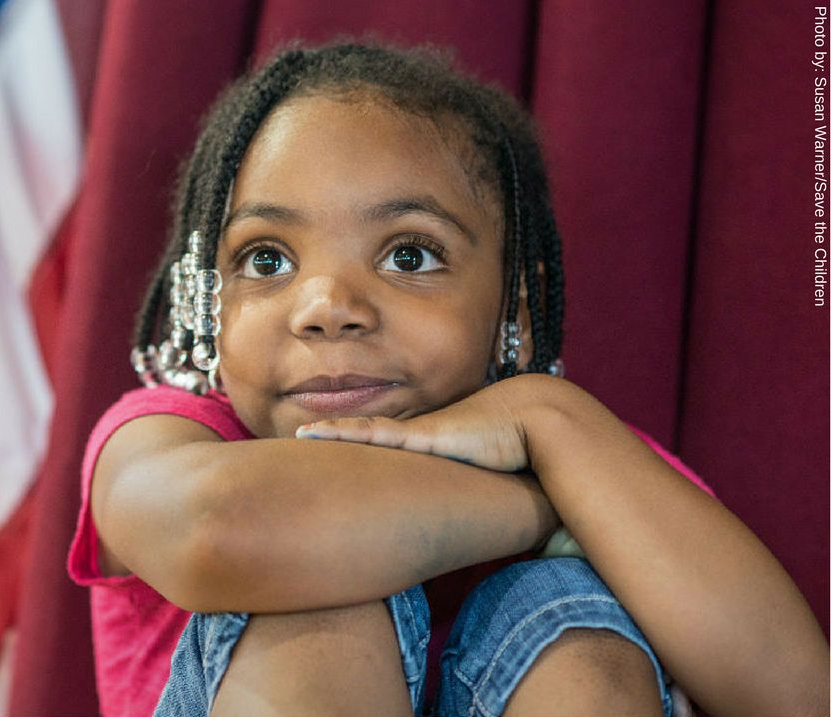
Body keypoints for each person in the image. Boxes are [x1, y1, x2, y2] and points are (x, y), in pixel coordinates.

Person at [67, 42, 829, 716]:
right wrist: (545, 502)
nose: (328, 307)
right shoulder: (168, 432)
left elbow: (799, 695)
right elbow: (219, 530)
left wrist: (549, 415)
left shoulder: (584, 451)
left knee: (576, 621)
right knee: (313, 579)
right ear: (210, 303)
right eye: (267, 259)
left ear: (516, 308)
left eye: (408, 255)